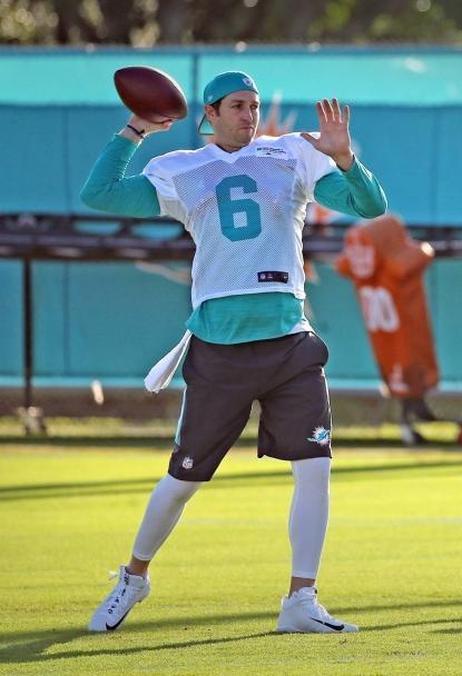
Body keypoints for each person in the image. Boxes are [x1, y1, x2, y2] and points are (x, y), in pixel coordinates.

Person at [80, 71, 388, 632]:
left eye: (255, 105)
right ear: (211, 113)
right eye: (238, 106)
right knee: (184, 480)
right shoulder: (182, 168)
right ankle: (135, 576)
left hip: (289, 339)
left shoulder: (289, 153)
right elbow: (99, 194)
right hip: (219, 345)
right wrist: (134, 130)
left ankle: (300, 600)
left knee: (315, 468)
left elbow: (369, 206)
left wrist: (346, 161)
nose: (250, 114)